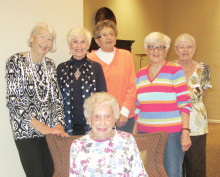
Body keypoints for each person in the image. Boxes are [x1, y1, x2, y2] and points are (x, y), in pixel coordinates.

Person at [5, 22, 68, 177]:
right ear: (32, 38)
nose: (46, 42)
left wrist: (59, 125)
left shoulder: (50, 65)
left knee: (52, 173)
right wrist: (42, 127)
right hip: (26, 132)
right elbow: (13, 101)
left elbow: (57, 100)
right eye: (42, 37)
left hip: (50, 133)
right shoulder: (15, 61)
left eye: (50, 39)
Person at [133, 32, 192, 177]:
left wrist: (185, 132)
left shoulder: (175, 70)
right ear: (146, 50)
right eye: (152, 47)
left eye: (161, 47)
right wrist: (135, 131)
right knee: (147, 171)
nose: (156, 51)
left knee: (172, 173)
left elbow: (184, 103)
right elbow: (138, 106)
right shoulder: (140, 74)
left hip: (170, 135)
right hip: (144, 132)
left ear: (166, 51)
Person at [69, 92, 148, 176]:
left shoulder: (127, 140)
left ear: (114, 119)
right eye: (97, 117)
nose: (102, 122)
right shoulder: (78, 146)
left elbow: (140, 174)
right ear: (89, 120)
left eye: (107, 117)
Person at [88, 20, 136, 133]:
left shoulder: (126, 56)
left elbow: (132, 87)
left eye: (111, 34)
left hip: (125, 117)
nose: (108, 37)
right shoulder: (90, 59)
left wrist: (123, 112)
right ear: (97, 40)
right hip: (101, 119)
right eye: (103, 35)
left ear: (115, 37)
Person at [174, 33, 212, 177]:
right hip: (175, 120)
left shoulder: (203, 69)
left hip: (197, 122)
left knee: (196, 163)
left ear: (194, 48)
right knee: (176, 162)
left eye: (189, 46)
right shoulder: (170, 68)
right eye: (181, 47)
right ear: (176, 49)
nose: (185, 50)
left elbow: (202, 95)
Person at [57, 27, 107, 135]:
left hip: (92, 127)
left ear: (88, 45)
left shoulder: (96, 67)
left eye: (83, 42)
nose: (79, 46)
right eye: (75, 42)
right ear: (70, 44)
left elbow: (103, 99)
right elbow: (57, 101)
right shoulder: (61, 68)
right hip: (67, 128)